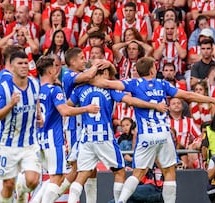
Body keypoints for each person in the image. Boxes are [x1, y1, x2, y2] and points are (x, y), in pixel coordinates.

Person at [91, 57, 215, 203]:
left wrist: (86, 77)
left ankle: (121, 201)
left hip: (146, 135)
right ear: (152, 70)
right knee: (169, 172)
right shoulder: (162, 84)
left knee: (138, 173)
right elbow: (188, 95)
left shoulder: (133, 83)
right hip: (164, 134)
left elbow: (105, 83)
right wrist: (213, 100)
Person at [66, 60, 168, 203]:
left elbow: (66, 108)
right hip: (105, 137)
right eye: (108, 72)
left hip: (86, 137)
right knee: (119, 172)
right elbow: (131, 101)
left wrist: (83, 109)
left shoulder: (80, 89)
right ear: (104, 73)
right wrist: (153, 105)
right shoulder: (110, 89)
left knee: (82, 175)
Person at [32, 56, 99, 203]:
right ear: (50, 70)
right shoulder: (54, 89)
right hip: (53, 139)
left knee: (54, 178)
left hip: (39, 139)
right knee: (57, 178)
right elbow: (65, 111)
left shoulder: (35, 89)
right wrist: (86, 108)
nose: (57, 69)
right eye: (55, 66)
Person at [0, 51, 42, 203]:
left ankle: (21, 191)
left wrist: (39, 115)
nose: (24, 66)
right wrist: (11, 104)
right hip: (8, 144)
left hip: (29, 143)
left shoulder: (34, 83)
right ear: (12, 67)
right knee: (7, 184)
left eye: (26, 63)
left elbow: (36, 100)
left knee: (33, 181)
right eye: (20, 63)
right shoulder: (5, 88)